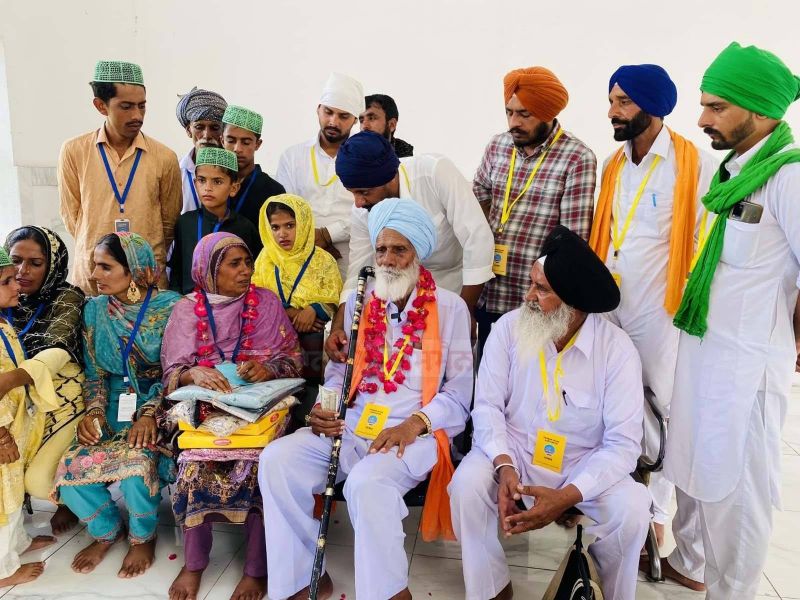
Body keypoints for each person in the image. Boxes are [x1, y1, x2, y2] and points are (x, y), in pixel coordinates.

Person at [259, 198, 473, 600]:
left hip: (415, 435)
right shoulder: (363, 302)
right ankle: (303, 577)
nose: (387, 259)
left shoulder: (451, 308)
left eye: (399, 250)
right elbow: (341, 370)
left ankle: (389, 591)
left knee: (366, 482)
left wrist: (414, 425)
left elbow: (460, 395)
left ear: (418, 254)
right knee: (277, 461)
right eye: (381, 249)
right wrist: (326, 405)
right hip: (352, 424)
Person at [664, 42, 800, 599]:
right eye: (704, 105)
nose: (702, 119)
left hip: (745, 374)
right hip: (705, 358)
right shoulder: (733, 173)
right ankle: (699, 571)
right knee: (700, 481)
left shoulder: (787, 178)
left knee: (738, 497)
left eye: (717, 107)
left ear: (761, 111)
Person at [450, 225, 650, 600]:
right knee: (466, 486)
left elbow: (623, 444)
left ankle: (604, 586)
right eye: (532, 284)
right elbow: (488, 406)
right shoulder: (510, 329)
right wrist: (504, 465)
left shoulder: (616, 350)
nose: (528, 296)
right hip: (517, 456)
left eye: (541, 290)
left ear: (573, 304)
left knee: (635, 509)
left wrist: (570, 494)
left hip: (582, 466)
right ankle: (490, 588)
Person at [587, 64, 716, 550]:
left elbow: (705, 243)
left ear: (653, 106)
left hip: (660, 307)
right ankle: (610, 496)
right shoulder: (612, 164)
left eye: (623, 102)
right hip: (608, 300)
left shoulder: (694, 164)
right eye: (612, 100)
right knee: (608, 398)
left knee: (659, 406)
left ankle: (655, 516)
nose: (612, 111)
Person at [161, 232, 303, 600]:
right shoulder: (185, 310)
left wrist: (268, 369)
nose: (246, 271)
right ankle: (194, 564)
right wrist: (195, 373)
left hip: (262, 409)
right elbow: (171, 374)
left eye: (248, 262)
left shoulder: (267, 303)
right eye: (234, 264)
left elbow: (294, 361)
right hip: (207, 409)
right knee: (193, 464)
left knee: (261, 465)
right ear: (208, 270)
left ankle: (255, 570)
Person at [53, 232, 181, 578]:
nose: (95, 274)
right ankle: (106, 531)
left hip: (159, 401)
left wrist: (150, 414)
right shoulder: (94, 310)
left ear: (134, 270)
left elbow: (174, 372)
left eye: (106, 267)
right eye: (95, 265)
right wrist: (93, 412)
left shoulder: (171, 307)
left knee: (137, 469)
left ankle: (143, 538)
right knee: (70, 474)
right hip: (110, 401)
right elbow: (94, 372)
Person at [473, 66, 596, 356]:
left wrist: (544, 290)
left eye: (524, 114)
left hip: (532, 303)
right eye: (509, 112)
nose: (513, 122)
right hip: (488, 292)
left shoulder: (577, 158)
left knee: (530, 383)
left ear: (548, 112)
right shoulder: (498, 145)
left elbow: (571, 240)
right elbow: (478, 199)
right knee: (487, 379)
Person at [58, 60, 182, 294]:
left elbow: (168, 223)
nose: (137, 115)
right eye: (126, 106)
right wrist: (102, 250)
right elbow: (72, 216)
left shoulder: (165, 157)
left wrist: (139, 256)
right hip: (93, 280)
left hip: (147, 280)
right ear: (100, 106)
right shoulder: (74, 151)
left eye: (142, 106)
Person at [4, 227, 86, 535]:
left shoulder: (67, 297)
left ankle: (64, 499)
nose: (23, 271)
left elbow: (57, 349)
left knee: (38, 482)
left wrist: (8, 380)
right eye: (16, 261)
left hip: (61, 399)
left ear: (52, 264)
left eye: (35, 263)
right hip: (17, 400)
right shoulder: (5, 294)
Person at [0, 246, 61, 587]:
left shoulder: (3, 322)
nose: (16, 285)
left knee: (11, 495)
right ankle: (2, 571)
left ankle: (18, 545)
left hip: (14, 426)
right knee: (2, 503)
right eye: (7, 281)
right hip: (1, 433)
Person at [252, 194, 342, 408]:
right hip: (273, 342)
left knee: (309, 395)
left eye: (290, 225)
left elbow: (335, 299)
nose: (282, 234)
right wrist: (290, 313)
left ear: (303, 224)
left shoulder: (322, 259)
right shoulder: (265, 259)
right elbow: (256, 296)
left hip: (314, 345)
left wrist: (314, 309)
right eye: (275, 227)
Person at [276, 72, 365, 277]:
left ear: (355, 120)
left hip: (349, 258)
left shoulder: (365, 161)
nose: (333, 121)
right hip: (297, 256)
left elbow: (369, 211)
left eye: (343, 116)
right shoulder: (292, 157)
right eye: (328, 112)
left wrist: (328, 234)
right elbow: (284, 207)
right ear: (318, 110)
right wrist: (311, 241)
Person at [169, 147, 261, 294]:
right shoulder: (185, 223)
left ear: (234, 188)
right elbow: (176, 271)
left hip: (230, 304)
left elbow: (254, 272)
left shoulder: (244, 227)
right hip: (190, 304)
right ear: (194, 183)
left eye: (217, 182)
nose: (208, 188)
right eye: (202, 180)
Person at [221, 104, 286, 230]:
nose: (237, 149)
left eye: (246, 142)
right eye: (231, 141)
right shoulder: (211, 183)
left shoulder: (273, 191)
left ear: (258, 144)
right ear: (222, 140)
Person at [175, 86, 228, 213]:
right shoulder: (177, 172)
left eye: (215, 128)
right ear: (188, 130)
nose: (207, 135)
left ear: (224, 131)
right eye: (199, 127)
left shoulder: (235, 170)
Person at [360, 94, 413, 158]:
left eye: (371, 118)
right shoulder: (351, 157)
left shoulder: (411, 163)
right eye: (361, 121)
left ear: (391, 125)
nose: (364, 126)